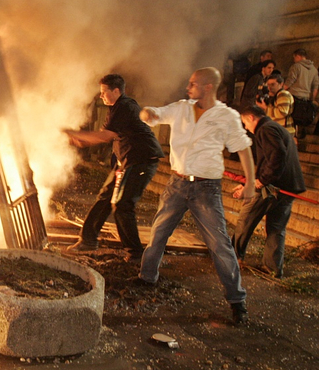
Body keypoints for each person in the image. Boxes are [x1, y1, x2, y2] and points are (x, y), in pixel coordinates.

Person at [137, 67, 256, 325]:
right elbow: (158, 113)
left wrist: (250, 184)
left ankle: (237, 301)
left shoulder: (226, 116)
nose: (188, 87)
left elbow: (244, 149)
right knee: (158, 232)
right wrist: (148, 112)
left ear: (207, 87)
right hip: (177, 183)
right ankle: (147, 278)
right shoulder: (181, 108)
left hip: (206, 188)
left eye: (193, 84)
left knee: (219, 244)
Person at [64, 74, 164, 262]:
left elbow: (104, 136)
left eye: (104, 92)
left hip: (141, 160)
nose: (101, 96)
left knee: (122, 205)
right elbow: (107, 136)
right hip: (126, 161)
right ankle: (88, 240)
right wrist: (81, 140)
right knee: (105, 197)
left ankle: (135, 254)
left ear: (116, 91)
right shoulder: (116, 108)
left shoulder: (125, 106)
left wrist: (74, 132)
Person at [232, 105, 305, 279]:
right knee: (276, 228)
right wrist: (248, 183)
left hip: (273, 187)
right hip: (288, 187)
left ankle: (232, 258)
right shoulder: (277, 128)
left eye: (244, 122)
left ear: (250, 117)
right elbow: (271, 159)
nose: (245, 127)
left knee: (246, 219)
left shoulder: (266, 130)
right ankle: (272, 268)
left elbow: (276, 156)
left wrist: (261, 181)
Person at [283, 48, 319, 138]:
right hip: (306, 99)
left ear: (298, 56)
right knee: (301, 118)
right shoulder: (314, 70)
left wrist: (281, 90)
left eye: (294, 58)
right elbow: (315, 87)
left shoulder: (296, 66)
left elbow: (290, 81)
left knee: (290, 118)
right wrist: (312, 100)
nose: (294, 60)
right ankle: (300, 132)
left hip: (294, 97)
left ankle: (292, 136)